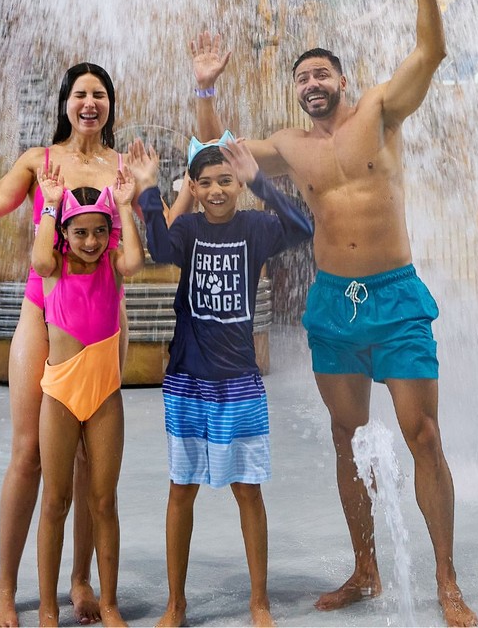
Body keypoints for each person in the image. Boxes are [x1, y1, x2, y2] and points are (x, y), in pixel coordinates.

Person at [189, 0, 478, 628]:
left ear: (342, 80)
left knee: (422, 434)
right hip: (333, 304)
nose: (312, 83)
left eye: (321, 73)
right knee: (348, 437)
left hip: (396, 298)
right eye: (302, 78)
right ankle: (366, 567)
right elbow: (214, 150)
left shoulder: (379, 110)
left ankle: (445, 578)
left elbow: (431, 52)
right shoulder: (290, 146)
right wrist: (205, 88)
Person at [0, 62, 127, 628]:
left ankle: (81, 580)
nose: (89, 103)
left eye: (99, 94)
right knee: (28, 453)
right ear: (65, 102)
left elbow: (140, 243)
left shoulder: (122, 167)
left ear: (109, 104)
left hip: (101, 322)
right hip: (42, 315)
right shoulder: (38, 161)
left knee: (91, 462)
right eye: (80, 94)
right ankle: (5, 588)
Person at [129, 136, 313, 628]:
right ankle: (176, 603)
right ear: (192, 187)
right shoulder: (187, 229)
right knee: (181, 489)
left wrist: (261, 182)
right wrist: (148, 188)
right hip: (187, 379)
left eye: (226, 181)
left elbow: (302, 228)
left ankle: (259, 601)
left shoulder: (256, 227)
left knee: (248, 490)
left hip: (239, 383)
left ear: (238, 185)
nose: (216, 190)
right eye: (206, 182)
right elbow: (158, 247)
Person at [32, 169, 143, 628]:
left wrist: (125, 206)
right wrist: (51, 204)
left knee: (104, 502)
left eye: (100, 231)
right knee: (55, 502)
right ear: (64, 233)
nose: (92, 241)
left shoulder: (113, 266)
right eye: (80, 232)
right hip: (60, 395)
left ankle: (110, 603)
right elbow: (39, 258)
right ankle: (47, 608)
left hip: (104, 397)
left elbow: (134, 259)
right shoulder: (54, 268)